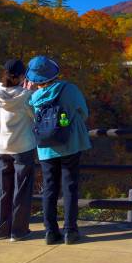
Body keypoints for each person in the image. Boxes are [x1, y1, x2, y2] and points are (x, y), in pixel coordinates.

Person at [27, 56, 90, 245]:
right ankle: (70, 231)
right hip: (70, 143)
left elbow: (33, 119)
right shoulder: (69, 89)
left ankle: (50, 232)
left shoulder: (33, 98)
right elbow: (84, 113)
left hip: (46, 148)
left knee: (49, 189)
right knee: (70, 187)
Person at [0, 58, 37, 241]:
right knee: (22, 189)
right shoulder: (26, 96)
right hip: (22, 147)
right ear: (22, 76)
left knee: (3, 188)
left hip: (1, 147)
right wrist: (30, 92)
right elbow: (35, 116)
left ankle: (1, 230)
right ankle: (18, 231)